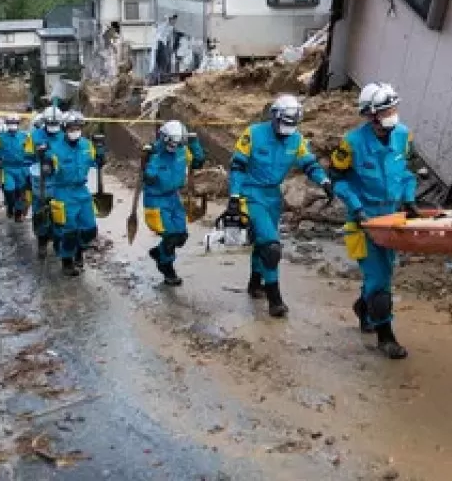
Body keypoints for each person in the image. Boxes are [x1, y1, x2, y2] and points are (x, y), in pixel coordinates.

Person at [225, 94, 333, 317]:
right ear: (274, 116)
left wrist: (324, 181)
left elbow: (309, 164)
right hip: (251, 193)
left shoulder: (296, 140)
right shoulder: (253, 134)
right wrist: (234, 196)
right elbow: (237, 166)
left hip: (273, 196)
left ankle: (255, 283)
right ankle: (274, 298)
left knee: (262, 243)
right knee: (272, 247)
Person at [331, 83, 418, 359]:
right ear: (370, 115)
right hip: (363, 221)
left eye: (394, 108)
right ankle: (386, 337)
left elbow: (406, 172)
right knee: (379, 278)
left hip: (392, 218)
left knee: (386, 273)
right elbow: (338, 180)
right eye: (385, 110)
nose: (392, 113)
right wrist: (356, 208)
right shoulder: (352, 143)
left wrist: (410, 199)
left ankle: (363, 307)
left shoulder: (403, 136)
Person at [40, 111, 105, 277]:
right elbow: (48, 168)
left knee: (89, 229)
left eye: (78, 127)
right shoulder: (55, 148)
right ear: (64, 128)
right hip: (63, 192)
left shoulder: (86, 145)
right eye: (71, 127)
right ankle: (67, 260)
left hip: (82, 191)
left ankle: (78, 250)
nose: (75, 130)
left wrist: (100, 156)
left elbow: (95, 163)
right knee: (69, 231)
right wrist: (46, 164)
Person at [143, 120, 207, 286]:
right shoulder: (155, 154)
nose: (174, 146)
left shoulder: (182, 151)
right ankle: (166, 268)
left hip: (173, 197)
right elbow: (148, 179)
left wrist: (195, 145)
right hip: (156, 199)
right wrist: (148, 160)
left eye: (178, 143)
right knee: (170, 237)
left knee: (181, 236)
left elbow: (198, 162)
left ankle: (159, 252)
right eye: (171, 143)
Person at [27, 107, 64, 257]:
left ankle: (57, 240)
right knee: (40, 210)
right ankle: (41, 240)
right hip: (40, 180)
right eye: (51, 122)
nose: (53, 125)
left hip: (59, 180)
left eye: (56, 122)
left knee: (58, 211)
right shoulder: (35, 136)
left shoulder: (64, 137)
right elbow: (27, 157)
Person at [0, 113, 32, 221]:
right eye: (10, 123)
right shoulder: (1, 138)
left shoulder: (25, 137)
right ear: (7, 124)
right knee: (9, 190)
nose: (12, 125)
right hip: (7, 169)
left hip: (22, 169)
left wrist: (29, 167)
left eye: (14, 123)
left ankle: (18, 213)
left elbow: (30, 153)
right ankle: (10, 206)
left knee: (20, 192)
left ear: (18, 124)